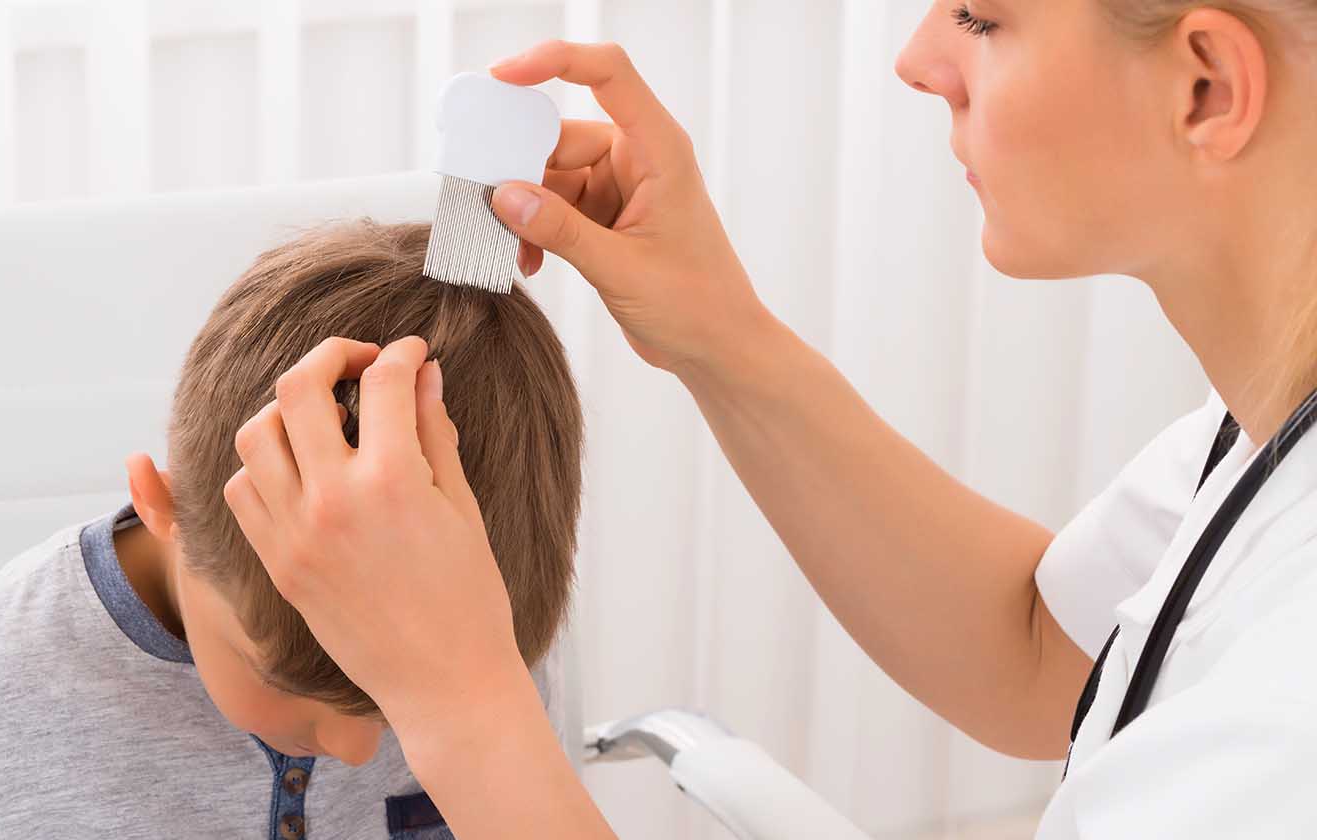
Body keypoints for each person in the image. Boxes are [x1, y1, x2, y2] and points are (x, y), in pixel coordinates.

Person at [225, 4, 1317, 837]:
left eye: (983, 15)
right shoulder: (1262, 424)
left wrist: (457, 700)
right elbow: (1041, 653)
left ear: (1206, 88)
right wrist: (718, 331)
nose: (919, 55)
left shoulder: (1285, 718)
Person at [0, 221, 584, 839]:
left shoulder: (483, 628)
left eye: (399, 702)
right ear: (164, 503)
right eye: (279, 674)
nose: (359, 748)